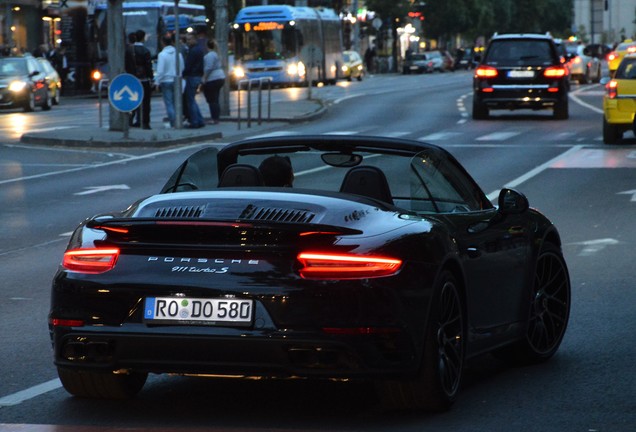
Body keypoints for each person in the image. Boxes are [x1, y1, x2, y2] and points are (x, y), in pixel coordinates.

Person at [154, 34, 184, 128]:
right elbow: (182, 67)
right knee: (176, 102)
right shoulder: (178, 54)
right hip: (177, 80)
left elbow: (160, 71)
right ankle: (178, 121)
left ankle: (173, 123)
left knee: (169, 103)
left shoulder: (162, 55)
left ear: (162, 43)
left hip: (166, 81)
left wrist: (157, 82)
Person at [129, 29, 154, 129]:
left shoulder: (130, 50)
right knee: (145, 102)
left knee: (133, 101)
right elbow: (148, 67)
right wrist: (151, 77)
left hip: (132, 79)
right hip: (143, 80)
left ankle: (130, 120)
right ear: (143, 38)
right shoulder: (145, 51)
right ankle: (144, 122)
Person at [182, 32, 205, 128]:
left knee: (190, 100)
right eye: (187, 40)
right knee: (192, 100)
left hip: (192, 76)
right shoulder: (199, 49)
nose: (188, 41)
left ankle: (195, 121)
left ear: (194, 39)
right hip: (197, 75)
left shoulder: (193, 51)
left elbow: (189, 65)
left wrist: (184, 73)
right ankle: (199, 120)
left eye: (189, 39)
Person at [202, 39, 225, 125]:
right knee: (215, 99)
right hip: (220, 77)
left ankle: (214, 118)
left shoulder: (210, 55)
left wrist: (204, 77)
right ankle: (216, 118)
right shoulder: (217, 54)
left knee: (212, 100)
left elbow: (208, 68)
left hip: (213, 78)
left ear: (207, 46)